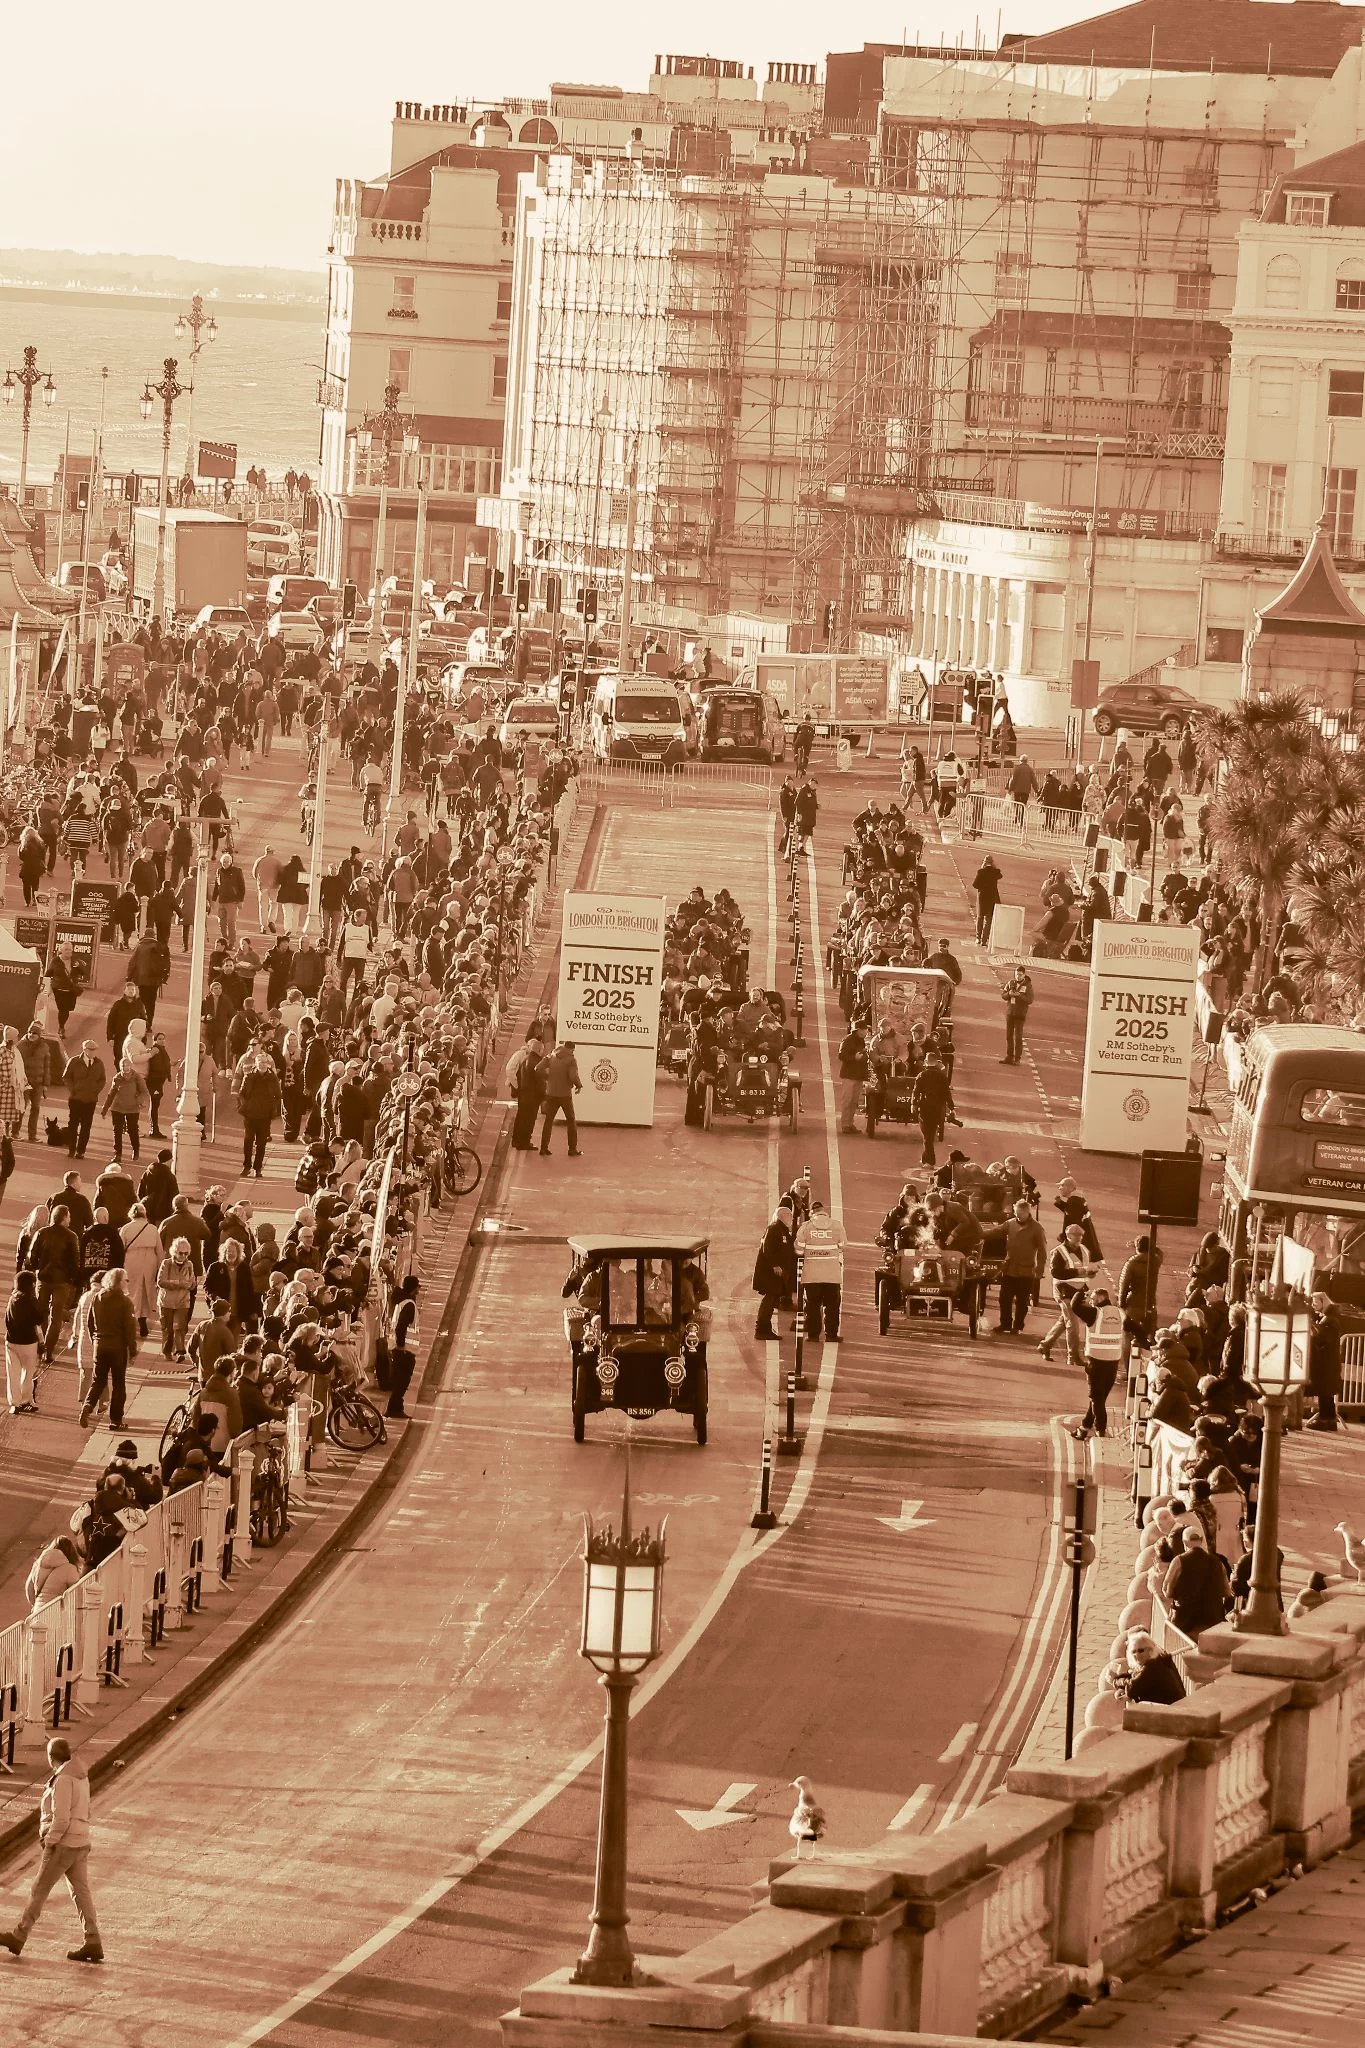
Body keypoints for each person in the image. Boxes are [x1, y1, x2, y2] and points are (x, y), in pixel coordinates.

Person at [0, 1737, 103, 1964]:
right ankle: (93, 1940)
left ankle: (19, 1936)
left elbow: (61, 1818)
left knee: (39, 1889)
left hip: (63, 1844)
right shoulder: (80, 1775)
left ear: (51, 1757)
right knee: (81, 1892)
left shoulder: (64, 1779)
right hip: (80, 1841)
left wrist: (50, 1841)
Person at [78, 1269, 139, 1432]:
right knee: (119, 1384)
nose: (128, 1283)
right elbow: (129, 1329)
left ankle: (88, 1405)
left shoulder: (98, 1298)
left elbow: (90, 1322)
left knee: (98, 1380)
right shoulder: (125, 1302)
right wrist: (132, 1351)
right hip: (118, 1347)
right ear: (119, 1282)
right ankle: (115, 1420)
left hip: (100, 1344)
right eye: (126, 1280)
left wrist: (95, 1340)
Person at [1069, 1279, 1123, 1439]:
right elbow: (1133, 1326)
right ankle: (1085, 1427)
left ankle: (1101, 1430)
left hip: (1096, 1363)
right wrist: (1146, 1341)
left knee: (1096, 1399)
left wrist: (1082, 1289)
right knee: (1098, 1399)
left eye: (1092, 1299)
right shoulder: (1119, 1313)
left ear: (1100, 1299)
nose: (1090, 1302)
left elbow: (1075, 1306)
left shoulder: (1095, 1313)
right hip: (1113, 1364)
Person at [794, 1199, 846, 1341]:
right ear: (825, 1212)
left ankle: (813, 1335)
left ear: (811, 1213)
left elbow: (798, 1250)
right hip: (832, 1274)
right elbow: (842, 1245)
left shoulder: (806, 1227)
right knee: (832, 1306)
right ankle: (831, 1335)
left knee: (812, 1305)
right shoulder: (837, 1226)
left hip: (812, 1274)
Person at [996, 1199, 1047, 1335]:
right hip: (1009, 1269)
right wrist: (977, 1232)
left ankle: (1017, 1326)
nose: (1018, 1217)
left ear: (1027, 1212)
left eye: (1020, 1214)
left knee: (1022, 1302)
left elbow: (1042, 1251)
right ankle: (1005, 1323)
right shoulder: (1010, 1224)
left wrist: (1039, 1270)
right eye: (1016, 1213)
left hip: (1026, 1270)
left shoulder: (1036, 1228)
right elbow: (996, 1232)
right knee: (1004, 1298)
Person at [752, 1201, 798, 1341]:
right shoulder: (774, 1229)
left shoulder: (782, 1230)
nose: (792, 1218)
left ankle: (765, 1328)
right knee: (769, 1300)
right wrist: (775, 1265)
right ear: (782, 1216)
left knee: (772, 1301)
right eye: (789, 1215)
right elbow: (768, 1249)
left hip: (777, 1274)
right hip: (770, 1274)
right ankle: (761, 1329)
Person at [6, 1269, 45, 1414]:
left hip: (11, 1341)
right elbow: (38, 1320)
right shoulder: (30, 1300)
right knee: (28, 1373)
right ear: (32, 1285)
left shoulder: (12, 1298)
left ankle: (14, 1403)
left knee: (13, 1373)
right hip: (28, 1343)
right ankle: (26, 1400)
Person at [100, 1059, 150, 1163]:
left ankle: (135, 1150)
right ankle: (117, 1154)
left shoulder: (136, 1077)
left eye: (127, 1065)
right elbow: (111, 1094)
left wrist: (138, 1101)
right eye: (123, 1066)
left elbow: (144, 1092)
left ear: (130, 1066)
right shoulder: (117, 1078)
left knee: (132, 1130)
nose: (125, 1068)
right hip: (117, 1108)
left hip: (132, 1108)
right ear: (120, 1067)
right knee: (117, 1131)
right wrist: (105, 1109)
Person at [539, 1039, 582, 1157]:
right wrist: (578, 1085)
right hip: (564, 1095)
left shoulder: (552, 1054)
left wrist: (548, 1078)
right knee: (570, 1120)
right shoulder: (571, 1059)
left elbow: (538, 1068)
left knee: (548, 1121)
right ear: (572, 1049)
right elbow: (573, 1075)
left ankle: (543, 1148)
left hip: (551, 1093)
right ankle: (572, 1149)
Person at [62, 1042, 106, 1159]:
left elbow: (102, 1079)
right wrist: (73, 1090)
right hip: (76, 1099)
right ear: (84, 1050)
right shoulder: (74, 1061)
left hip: (91, 1099)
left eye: (94, 1049)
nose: (93, 1052)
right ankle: (71, 1149)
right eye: (90, 1049)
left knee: (86, 1126)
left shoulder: (98, 1063)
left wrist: (96, 1090)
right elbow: (66, 1077)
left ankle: (81, 1151)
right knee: (73, 1124)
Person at [387, 1275, 420, 1420]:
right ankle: (394, 1409)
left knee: (399, 1380)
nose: (419, 1290)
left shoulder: (401, 1302)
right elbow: (401, 1327)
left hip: (400, 1349)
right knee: (402, 1381)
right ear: (413, 1288)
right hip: (404, 1350)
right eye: (418, 1287)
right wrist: (401, 1346)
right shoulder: (409, 1305)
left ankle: (396, 1408)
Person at [1001, 966, 1032, 1065]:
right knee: (1008, 1036)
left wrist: (1020, 995)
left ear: (1024, 975)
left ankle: (1017, 1059)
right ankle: (1009, 1056)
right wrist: (1009, 994)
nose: (1018, 976)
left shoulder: (1028, 986)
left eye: (1020, 974)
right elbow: (1003, 995)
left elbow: (1030, 1000)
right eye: (1016, 974)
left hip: (1020, 1014)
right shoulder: (1011, 983)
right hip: (1010, 1013)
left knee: (1018, 1037)